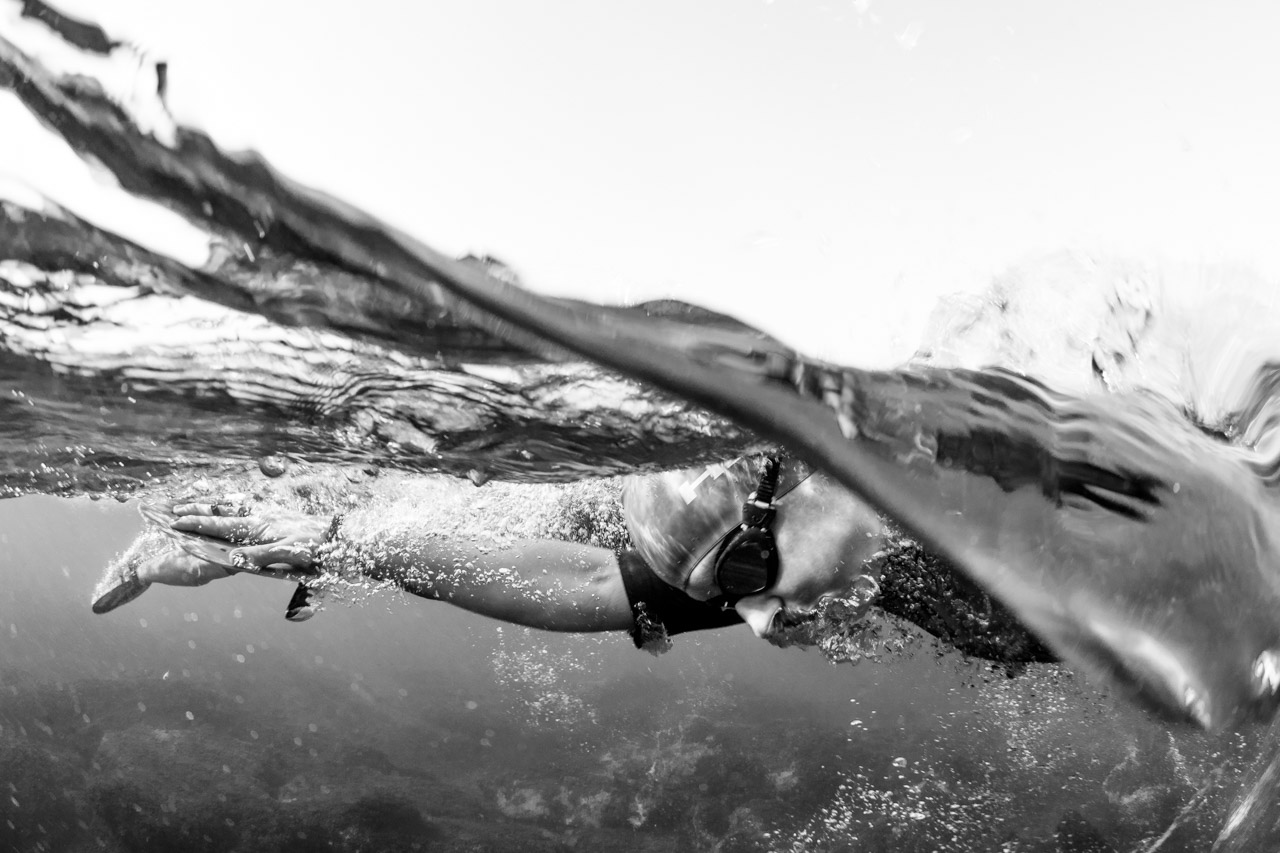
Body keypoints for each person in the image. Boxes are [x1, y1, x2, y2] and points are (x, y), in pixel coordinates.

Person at [93, 455, 1054, 665]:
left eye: (745, 592)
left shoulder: (988, 467)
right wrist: (336, 546)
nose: (759, 624)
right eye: (735, 603)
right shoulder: (735, 554)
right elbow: (588, 586)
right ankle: (225, 539)